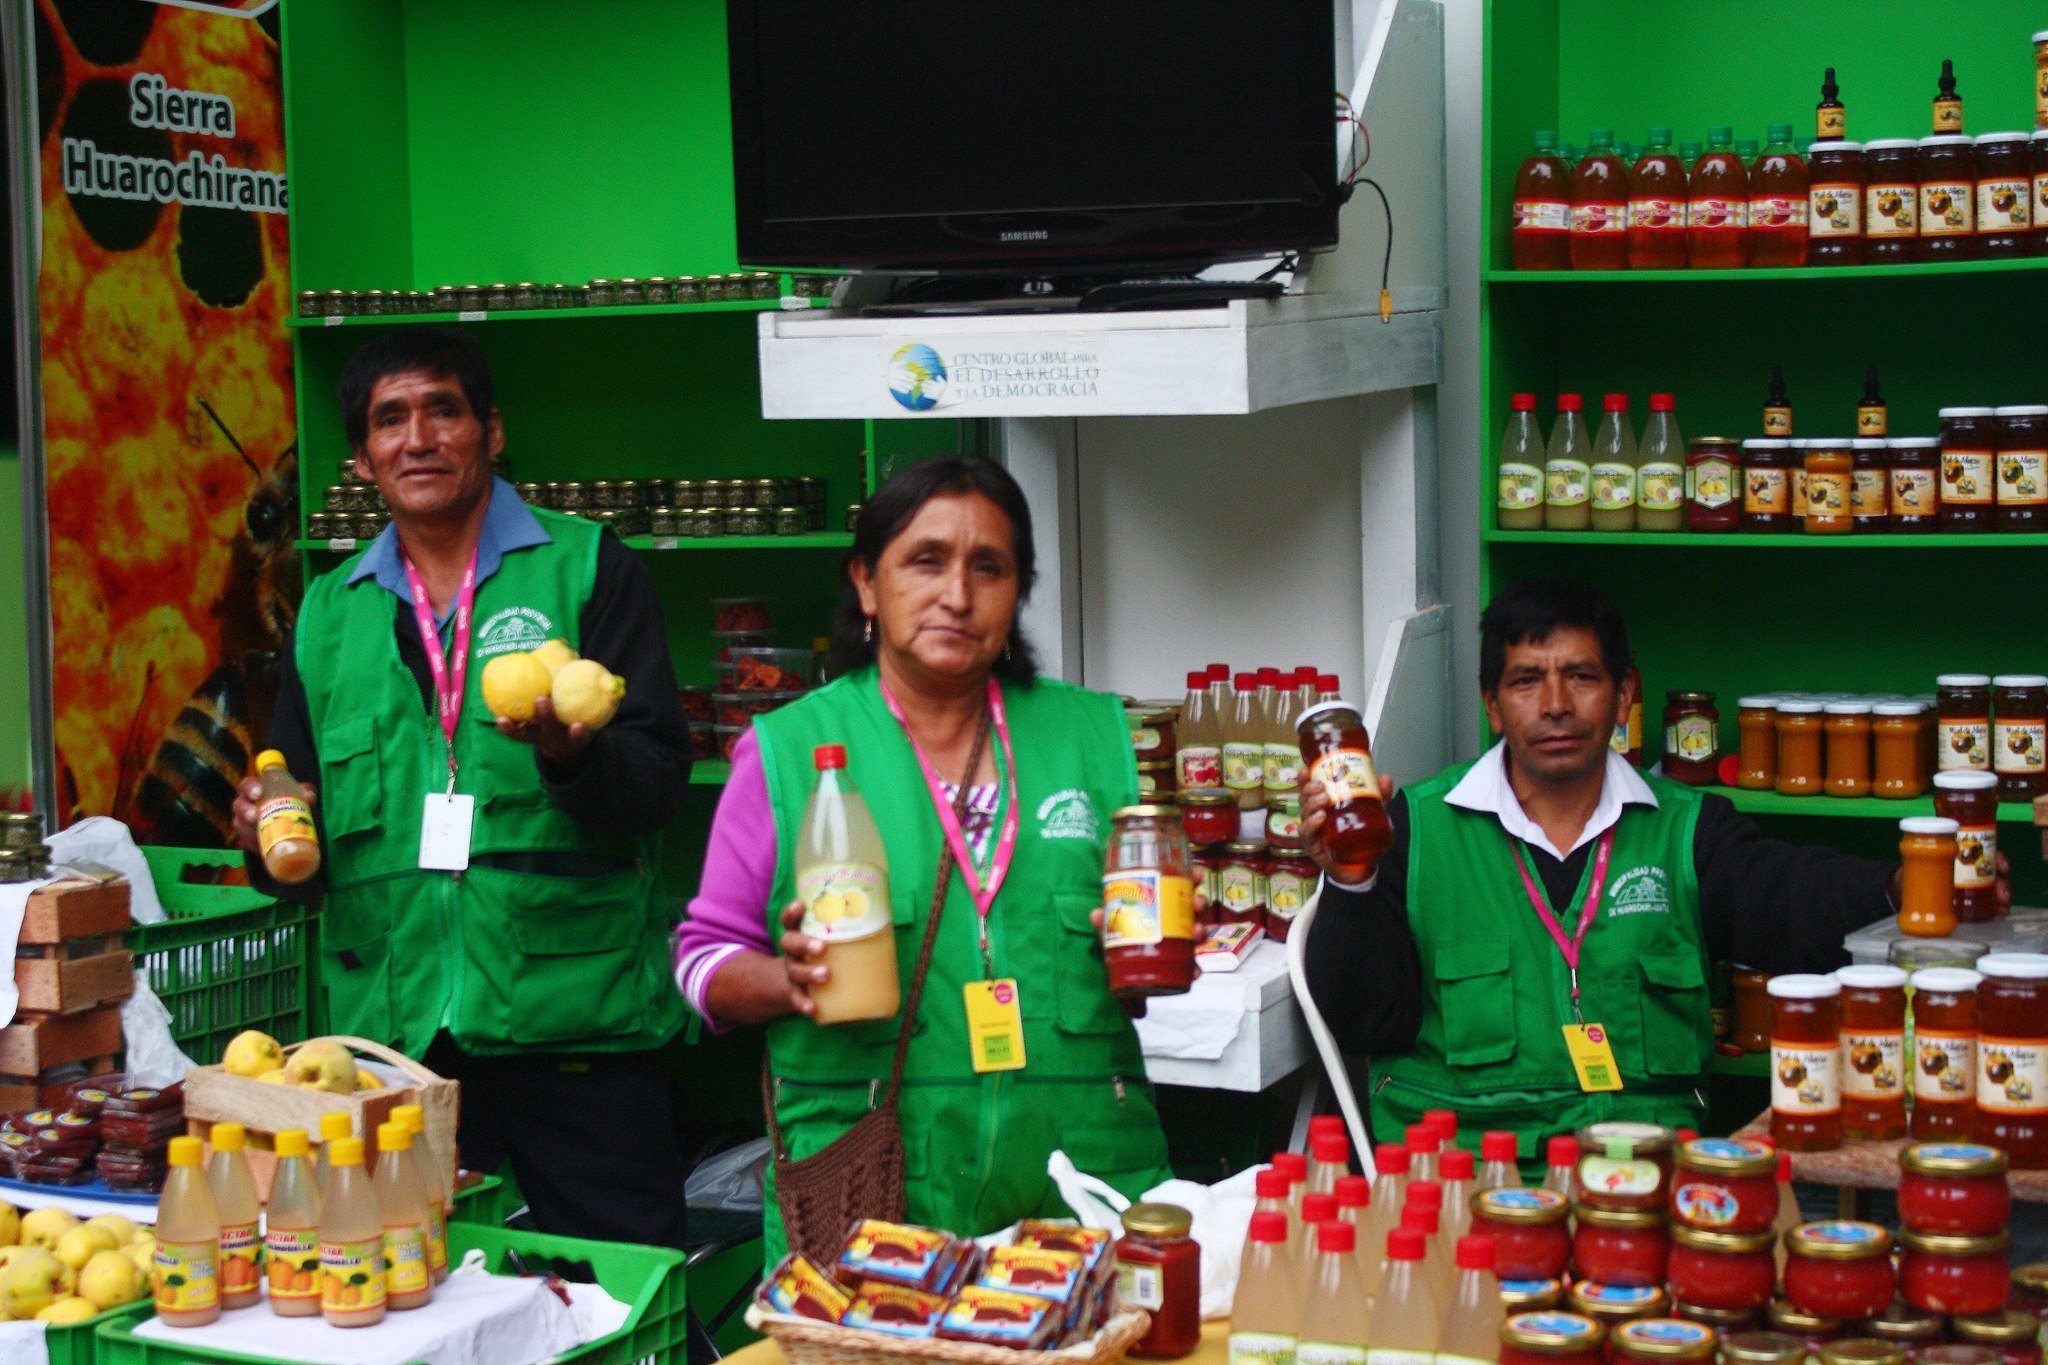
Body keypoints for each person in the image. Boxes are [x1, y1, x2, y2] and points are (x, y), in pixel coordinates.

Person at [230, 328, 694, 1248]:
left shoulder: (590, 567)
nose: (419, 438)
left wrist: (570, 758)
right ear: (362, 459)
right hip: (396, 1048)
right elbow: (302, 835)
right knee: (413, 1298)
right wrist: (266, 843)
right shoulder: (328, 613)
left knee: (628, 1297)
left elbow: (655, 787)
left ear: (490, 430)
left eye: (443, 410)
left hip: (576, 1026)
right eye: (389, 420)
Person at [674, 456, 1173, 1265]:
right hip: (879, 1184)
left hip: (1080, 1173)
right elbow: (701, 958)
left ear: (1018, 594)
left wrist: (1132, 947)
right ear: (867, 584)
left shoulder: (1093, 738)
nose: (958, 594)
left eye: (990, 567)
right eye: (926, 560)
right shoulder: (787, 751)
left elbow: (1152, 941)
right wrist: (784, 978)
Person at [1302, 576, 1964, 1154]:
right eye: (1527, 680)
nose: (1556, 703)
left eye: (1582, 676)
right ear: (1492, 704)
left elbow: (1788, 894)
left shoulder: (1686, 829)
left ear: (1623, 696)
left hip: (1648, 1182)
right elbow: (1362, 1020)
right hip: (1470, 1188)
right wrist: (1350, 878)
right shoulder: (1413, 832)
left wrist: (1905, 884)